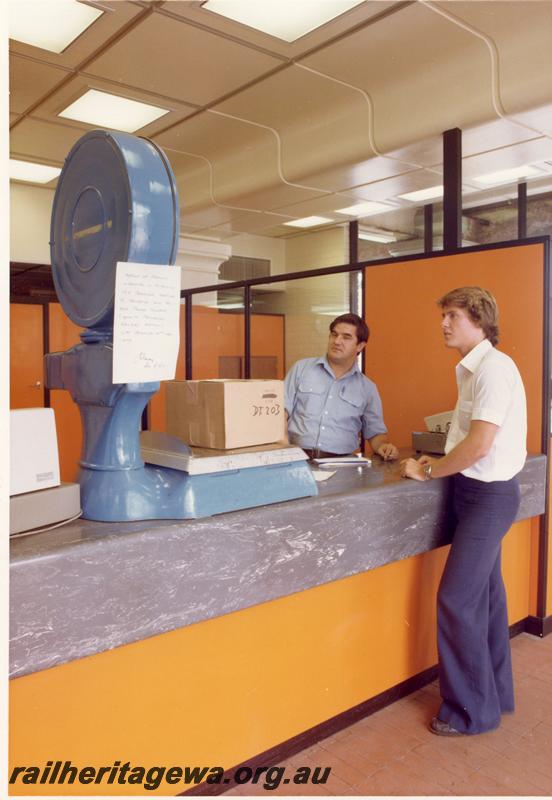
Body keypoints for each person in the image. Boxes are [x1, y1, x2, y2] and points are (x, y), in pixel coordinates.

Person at [401, 287, 527, 736]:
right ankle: (495, 694)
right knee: (487, 599)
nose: (444, 324)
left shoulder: (493, 370)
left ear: (478, 318)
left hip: (488, 498)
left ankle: (470, 712)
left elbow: (478, 445)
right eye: (444, 316)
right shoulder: (472, 370)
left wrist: (428, 469)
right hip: (474, 494)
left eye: (453, 315)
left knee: (457, 600)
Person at [284, 313, 399, 460]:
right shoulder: (301, 369)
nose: (337, 341)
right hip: (297, 458)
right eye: (334, 335)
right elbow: (280, 411)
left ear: (360, 346)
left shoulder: (367, 388)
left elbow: (375, 432)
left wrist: (384, 446)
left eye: (346, 337)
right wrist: (283, 447)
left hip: (342, 464)